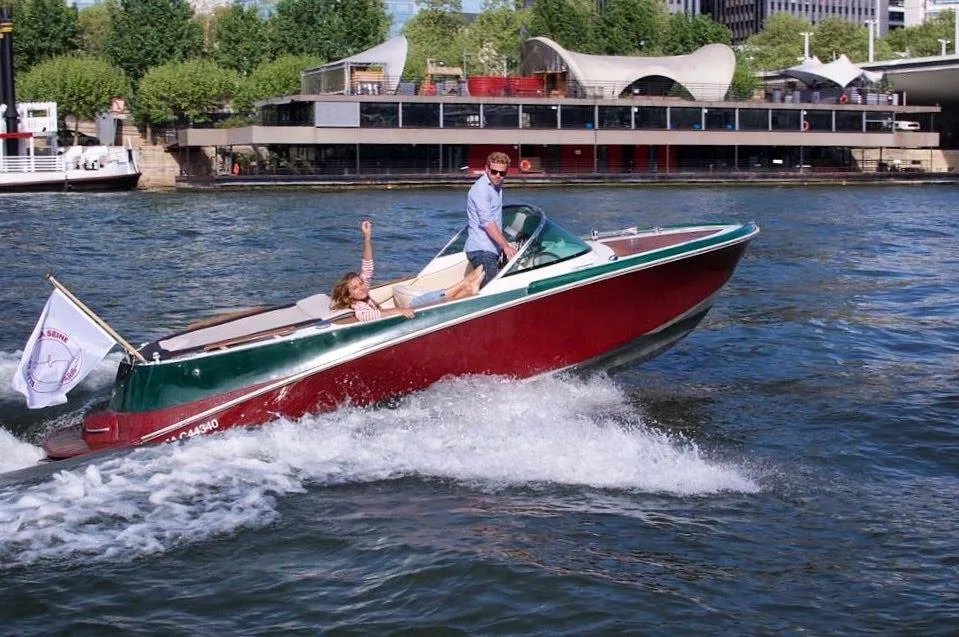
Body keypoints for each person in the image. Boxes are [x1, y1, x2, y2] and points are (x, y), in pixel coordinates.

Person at [330, 220, 484, 321]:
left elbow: (367, 266)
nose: (362, 287)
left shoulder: (362, 295)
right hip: (400, 320)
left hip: (403, 315)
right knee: (423, 302)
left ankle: (468, 289)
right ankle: (465, 283)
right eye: (355, 288)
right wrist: (400, 310)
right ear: (348, 295)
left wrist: (367, 239)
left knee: (424, 300)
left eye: (361, 283)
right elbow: (373, 315)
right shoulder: (358, 309)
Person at [465, 151, 517, 288]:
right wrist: (506, 246)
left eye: (502, 173)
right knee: (492, 289)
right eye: (494, 172)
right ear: (487, 169)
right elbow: (487, 222)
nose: (498, 176)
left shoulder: (496, 186)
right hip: (482, 250)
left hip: (491, 250)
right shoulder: (481, 190)